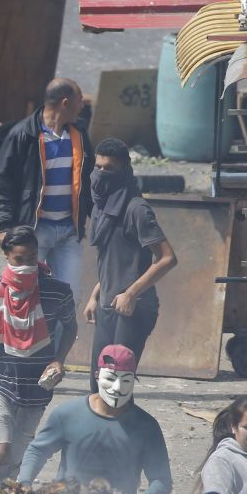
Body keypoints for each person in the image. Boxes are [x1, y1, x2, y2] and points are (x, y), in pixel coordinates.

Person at [0, 226, 77, 483]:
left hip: (37, 385)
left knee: (15, 459)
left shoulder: (57, 292)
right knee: (1, 448)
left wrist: (58, 360)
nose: (26, 265)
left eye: (32, 258)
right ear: (6, 256)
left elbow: (71, 327)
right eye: (19, 260)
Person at [17, 344, 172, 494]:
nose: (117, 387)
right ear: (97, 376)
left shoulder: (146, 426)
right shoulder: (67, 414)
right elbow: (38, 450)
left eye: (125, 380)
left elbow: (162, 481)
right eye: (110, 379)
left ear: (134, 380)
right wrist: (24, 484)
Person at [81, 137, 176, 388]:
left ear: (124, 170)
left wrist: (131, 293)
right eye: (98, 167)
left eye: (109, 169)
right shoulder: (102, 206)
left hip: (133, 309)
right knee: (97, 384)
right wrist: (95, 294)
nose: (101, 174)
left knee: (116, 387)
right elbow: (115, 260)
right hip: (107, 305)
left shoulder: (136, 209)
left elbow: (167, 258)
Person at [0, 78, 92, 297]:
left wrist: (95, 218)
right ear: (66, 103)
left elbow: (90, 180)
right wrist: (4, 225)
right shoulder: (23, 135)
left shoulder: (79, 136)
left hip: (69, 231)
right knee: (23, 295)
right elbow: (4, 183)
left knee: (69, 296)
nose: (83, 105)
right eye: (80, 100)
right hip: (34, 231)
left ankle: (56, 333)